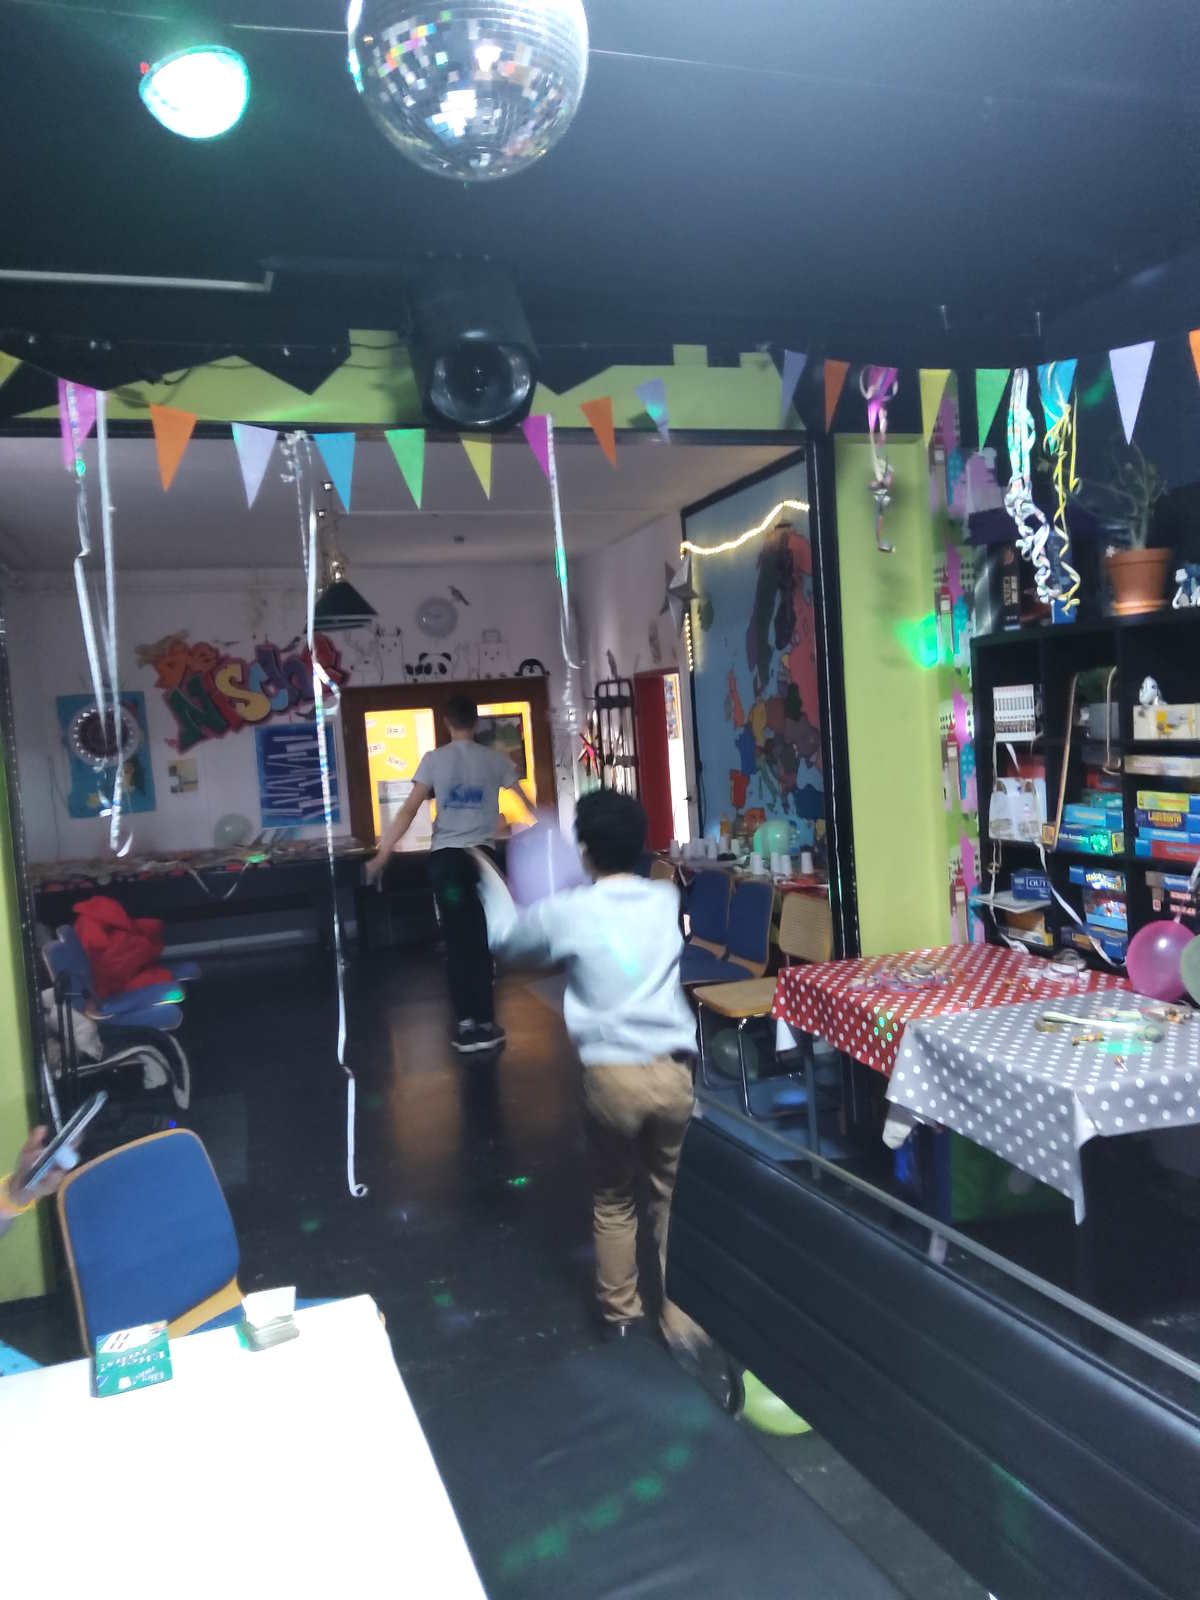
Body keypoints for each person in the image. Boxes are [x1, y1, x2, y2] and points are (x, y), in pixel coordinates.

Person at [491, 788, 707, 1352]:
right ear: (640, 846)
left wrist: (499, 891)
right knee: (672, 1195)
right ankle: (681, 1318)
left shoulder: (568, 911)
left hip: (611, 1077)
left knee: (614, 1196)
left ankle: (622, 1313)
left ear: (584, 851)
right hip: (673, 1071)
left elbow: (510, 943)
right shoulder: (664, 898)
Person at [367, 695, 531, 1054]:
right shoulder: (495, 760)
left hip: (448, 865)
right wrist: (543, 827)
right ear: (476, 722)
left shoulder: (433, 760)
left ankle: (465, 1024)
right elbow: (526, 803)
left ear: (446, 722)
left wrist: (382, 856)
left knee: (457, 940)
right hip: (482, 863)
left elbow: (408, 811)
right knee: (481, 938)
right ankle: (486, 1021)